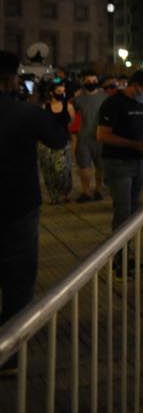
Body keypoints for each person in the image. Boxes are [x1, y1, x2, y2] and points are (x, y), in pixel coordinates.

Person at [0, 51, 69, 341]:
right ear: (11, 79)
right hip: (19, 204)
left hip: (19, 204)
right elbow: (58, 139)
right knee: (18, 276)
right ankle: (11, 345)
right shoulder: (25, 112)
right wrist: (54, 108)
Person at [97, 70, 143, 231]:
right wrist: (134, 145)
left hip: (137, 161)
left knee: (134, 206)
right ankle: (120, 252)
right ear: (136, 86)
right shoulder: (113, 103)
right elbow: (103, 135)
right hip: (118, 162)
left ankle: (130, 247)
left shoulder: (141, 103)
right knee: (123, 209)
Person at [71, 72, 109, 202]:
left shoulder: (105, 97)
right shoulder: (77, 99)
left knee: (100, 166)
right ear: (83, 82)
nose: (92, 83)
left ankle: (98, 189)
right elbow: (71, 116)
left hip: (100, 137)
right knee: (84, 166)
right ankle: (85, 191)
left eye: (94, 80)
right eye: (89, 80)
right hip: (84, 137)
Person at [39, 80, 75, 204]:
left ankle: (66, 193)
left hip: (63, 142)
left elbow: (71, 123)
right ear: (51, 92)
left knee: (63, 170)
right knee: (49, 171)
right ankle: (54, 196)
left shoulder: (68, 106)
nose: (61, 93)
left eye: (63, 91)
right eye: (58, 91)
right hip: (46, 143)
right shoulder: (45, 107)